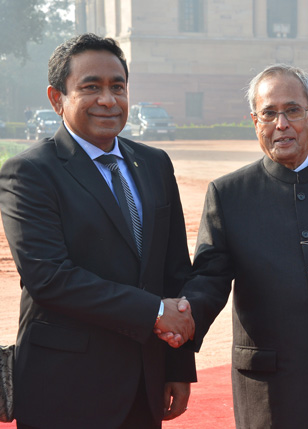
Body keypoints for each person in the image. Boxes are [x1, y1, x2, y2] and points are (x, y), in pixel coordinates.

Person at [164, 64, 308, 428]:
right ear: (254, 122)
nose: (282, 124)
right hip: (267, 388)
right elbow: (209, 279)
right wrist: (184, 316)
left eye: (292, 110)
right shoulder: (229, 195)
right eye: (269, 113)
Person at [0, 33, 196, 428]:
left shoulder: (155, 164)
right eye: (91, 87)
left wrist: (177, 365)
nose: (108, 100)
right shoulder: (30, 172)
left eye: (117, 87)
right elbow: (50, 278)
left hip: (144, 385)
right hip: (64, 388)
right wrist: (155, 312)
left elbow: (174, 271)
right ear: (57, 99)